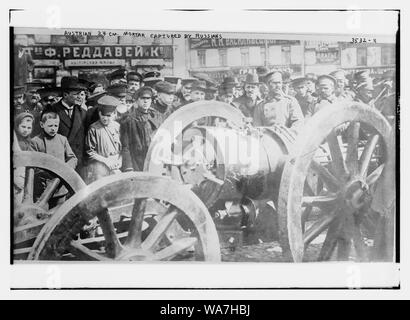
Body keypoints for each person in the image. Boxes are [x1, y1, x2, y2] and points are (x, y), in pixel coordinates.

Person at [30, 110, 77, 206]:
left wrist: (65, 169)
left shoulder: (62, 139)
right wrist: (50, 172)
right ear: (42, 125)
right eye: (50, 126)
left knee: (59, 215)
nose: (53, 129)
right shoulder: (35, 141)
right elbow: (32, 165)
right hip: (43, 189)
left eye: (56, 126)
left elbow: (72, 158)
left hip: (60, 187)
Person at [46, 76, 87, 175]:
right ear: (65, 95)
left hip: (79, 163)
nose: (79, 97)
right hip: (59, 162)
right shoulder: (51, 110)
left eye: (80, 94)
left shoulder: (83, 113)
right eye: (76, 94)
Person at [120, 87, 162, 171]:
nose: (145, 101)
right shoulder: (129, 119)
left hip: (154, 159)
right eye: (142, 98)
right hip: (137, 160)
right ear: (137, 100)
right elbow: (125, 146)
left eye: (148, 98)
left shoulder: (156, 116)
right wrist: (128, 167)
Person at [84, 95, 123, 184]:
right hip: (100, 167)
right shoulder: (94, 128)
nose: (105, 118)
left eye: (108, 116)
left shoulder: (117, 127)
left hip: (115, 165)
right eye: (103, 115)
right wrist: (106, 161)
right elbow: (90, 152)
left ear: (114, 114)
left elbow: (122, 147)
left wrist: (119, 160)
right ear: (99, 113)